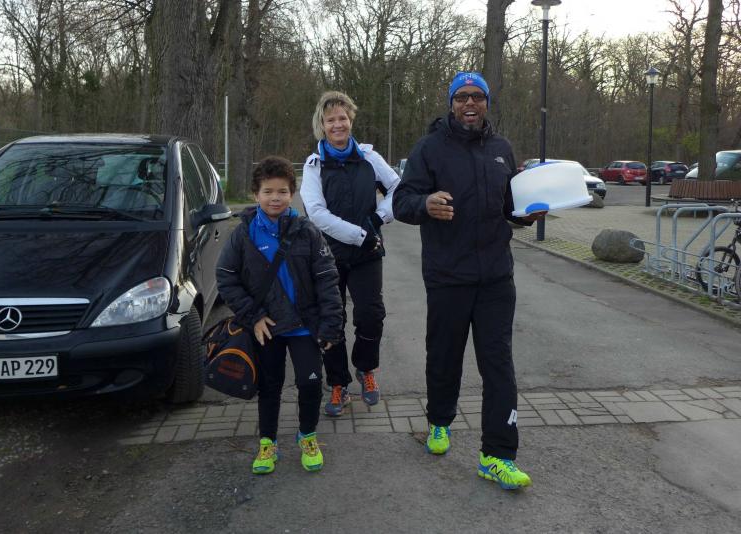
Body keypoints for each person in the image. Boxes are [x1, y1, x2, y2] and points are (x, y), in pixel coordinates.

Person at [393, 72, 545, 490]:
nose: (470, 103)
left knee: (499, 364)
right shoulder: (429, 148)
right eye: (462, 97)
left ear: (487, 103)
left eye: (478, 96)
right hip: (447, 276)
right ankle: (439, 421)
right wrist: (425, 203)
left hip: (496, 277)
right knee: (444, 357)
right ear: (451, 103)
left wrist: (527, 214)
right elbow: (401, 202)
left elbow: (509, 207)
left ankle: (497, 455)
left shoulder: (501, 149)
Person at [216, 156, 343, 474]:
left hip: (304, 326)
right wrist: (253, 316)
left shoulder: (308, 232)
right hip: (267, 327)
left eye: (283, 191)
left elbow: (327, 278)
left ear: (292, 193)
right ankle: (268, 442)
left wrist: (331, 324)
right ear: (255, 194)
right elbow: (226, 278)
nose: (275, 198)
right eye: (268, 191)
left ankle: (307, 436)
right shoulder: (243, 234)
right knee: (270, 386)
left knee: (311, 383)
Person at [301, 91, 401, 416]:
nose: (337, 124)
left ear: (351, 119)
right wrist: (360, 234)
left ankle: (365, 369)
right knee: (331, 320)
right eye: (330, 119)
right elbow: (316, 213)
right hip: (327, 256)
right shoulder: (314, 165)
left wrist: (378, 218)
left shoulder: (369, 157)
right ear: (322, 125)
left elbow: (399, 188)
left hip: (368, 253)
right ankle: (338, 384)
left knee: (371, 316)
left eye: (342, 117)